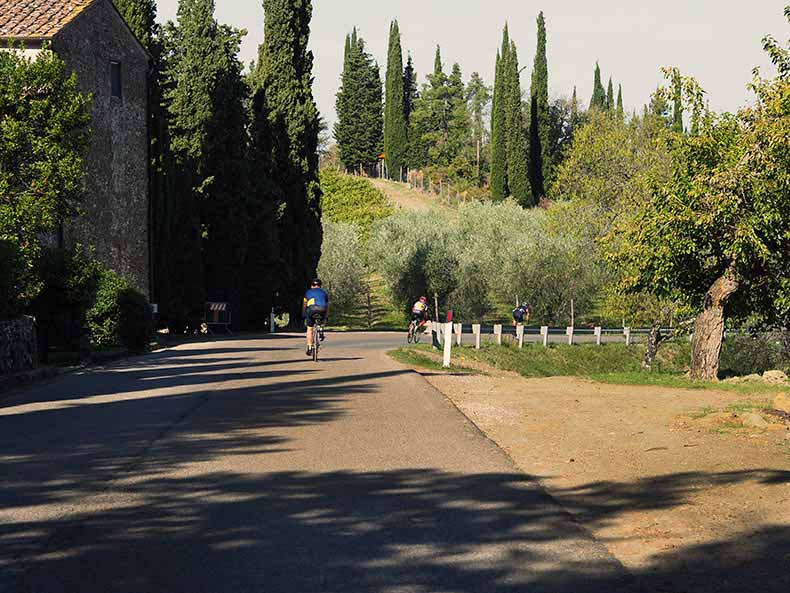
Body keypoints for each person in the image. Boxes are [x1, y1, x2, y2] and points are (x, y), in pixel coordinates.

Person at [303, 278, 329, 356]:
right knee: (323, 317)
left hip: (311, 309)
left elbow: (304, 306)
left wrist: (304, 314)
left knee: (310, 328)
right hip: (322, 308)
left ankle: (310, 347)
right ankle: (321, 328)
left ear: (311, 285)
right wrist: (326, 316)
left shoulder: (308, 292)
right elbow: (327, 306)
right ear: (320, 286)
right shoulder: (324, 293)